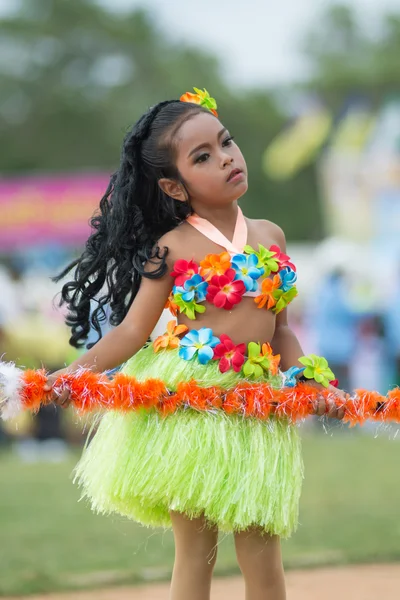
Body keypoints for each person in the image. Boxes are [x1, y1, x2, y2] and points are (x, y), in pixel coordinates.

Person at [43, 89, 344, 600]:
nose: (226, 157)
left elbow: (283, 330)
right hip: (188, 407)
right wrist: (69, 377)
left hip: (258, 403)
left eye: (226, 142)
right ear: (173, 186)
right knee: (197, 548)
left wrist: (313, 379)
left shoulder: (271, 236)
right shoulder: (173, 245)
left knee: (262, 545)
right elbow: (132, 332)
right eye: (202, 156)